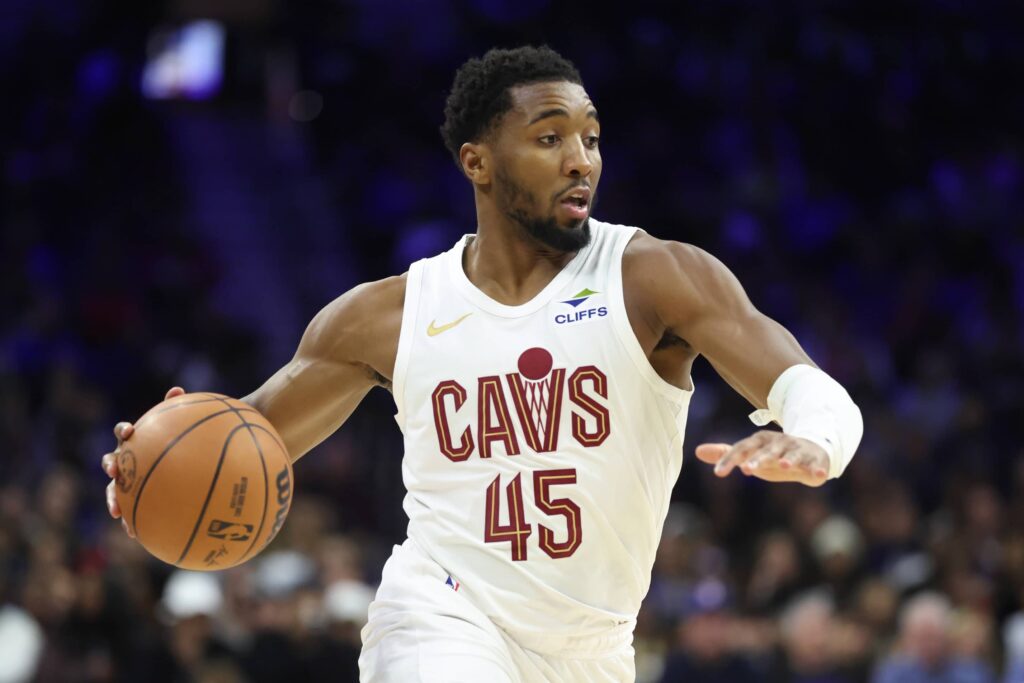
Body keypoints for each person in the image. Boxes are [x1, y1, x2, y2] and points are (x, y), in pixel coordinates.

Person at [101, 45, 863, 682]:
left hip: (592, 650)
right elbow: (248, 436)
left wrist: (816, 437)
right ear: (478, 162)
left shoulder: (653, 275)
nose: (580, 161)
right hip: (442, 612)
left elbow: (802, 381)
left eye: (591, 138)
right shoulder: (389, 314)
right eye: (549, 137)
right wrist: (159, 455)